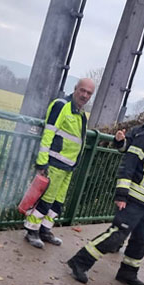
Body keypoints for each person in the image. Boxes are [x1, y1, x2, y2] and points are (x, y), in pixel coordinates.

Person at [66, 91, 144, 285]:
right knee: (117, 235)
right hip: (134, 196)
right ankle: (79, 262)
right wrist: (121, 193)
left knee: (143, 239)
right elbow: (129, 164)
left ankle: (128, 272)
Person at [23, 78, 95, 249]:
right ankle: (31, 230)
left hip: (67, 166)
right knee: (46, 200)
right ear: (75, 89)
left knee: (57, 202)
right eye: (82, 90)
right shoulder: (62, 105)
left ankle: (45, 230)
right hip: (54, 163)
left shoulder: (80, 113)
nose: (85, 95)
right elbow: (48, 133)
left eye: (89, 93)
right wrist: (42, 163)